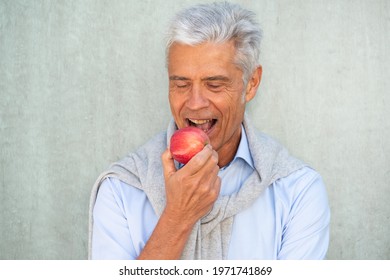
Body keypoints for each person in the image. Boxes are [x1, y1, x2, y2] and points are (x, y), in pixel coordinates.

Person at [88, 2, 330, 260]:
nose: (194, 103)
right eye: (181, 84)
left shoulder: (297, 191)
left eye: (214, 85)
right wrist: (177, 218)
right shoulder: (121, 189)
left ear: (251, 84)